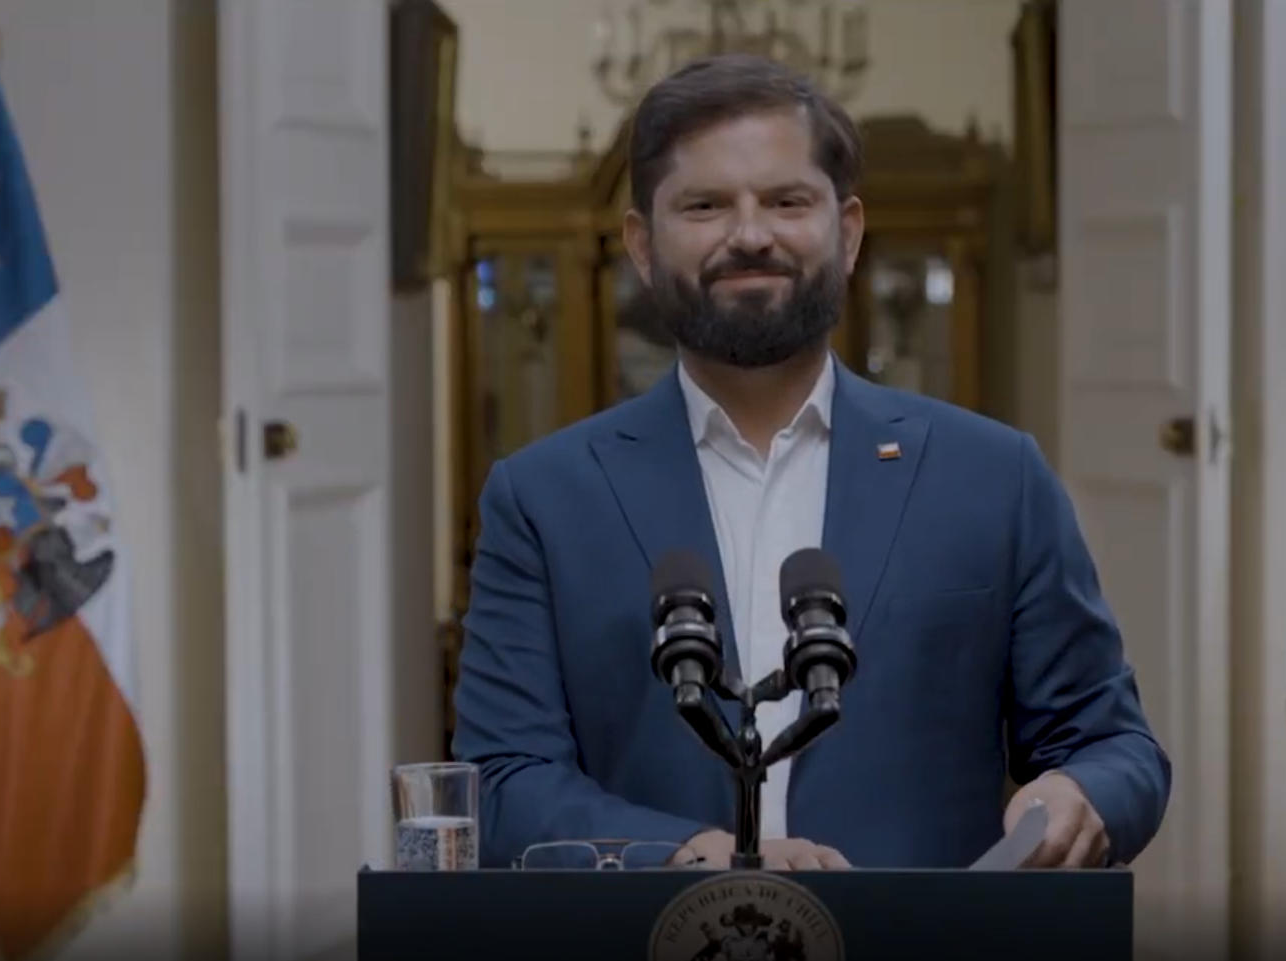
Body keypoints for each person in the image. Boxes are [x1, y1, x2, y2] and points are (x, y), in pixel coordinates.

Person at [451, 53, 1169, 871]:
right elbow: (503, 776)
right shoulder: (544, 497)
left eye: (787, 201)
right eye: (706, 205)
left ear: (849, 232)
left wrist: (1082, 793)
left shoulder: (994, 475)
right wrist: (683, 854)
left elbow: (1116, 748)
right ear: (643, 246)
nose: (750, 234)